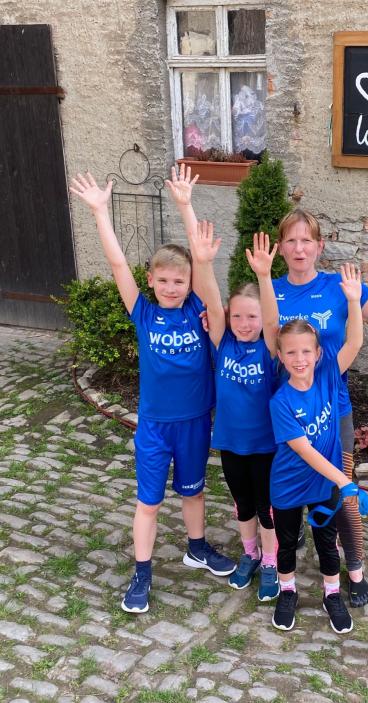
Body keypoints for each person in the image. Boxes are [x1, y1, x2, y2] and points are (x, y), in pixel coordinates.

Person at [173, 176, 368, 606]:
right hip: (281, 414)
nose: (299, 248)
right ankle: (280, 554)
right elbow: (233, 313)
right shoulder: (269, 290)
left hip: (332, 409)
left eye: (307, 240)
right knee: (280, 491)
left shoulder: (339, 288)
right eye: (291, 240)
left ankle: (354, 567)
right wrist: (190, 215)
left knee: (340, 487)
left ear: (319, 247)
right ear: (281, 248)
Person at [69, 172, 235, 614]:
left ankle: (196, 547)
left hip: (195, 422)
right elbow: (118, 265)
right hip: (155, 427)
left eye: (179, 281)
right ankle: (142, 572)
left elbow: (202, 261)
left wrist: (185, 204)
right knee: (149, 502)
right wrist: (100, 212)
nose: (171, 288)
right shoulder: (142, 313)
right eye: (163, 281)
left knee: (194, 492)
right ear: (151, 280)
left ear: (189, 283)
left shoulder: (199, 309)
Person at [265, 257, 367, 634]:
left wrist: (353, 301)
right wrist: (344, 480)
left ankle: (332, 595)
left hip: (324, 483)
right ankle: (287, 591)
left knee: (326, 541)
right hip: (290, 484)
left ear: (318, 354)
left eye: (306, 351)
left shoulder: (328, 375)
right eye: (291, 352)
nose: (300, 359)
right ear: (281, 356)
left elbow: (354, 341)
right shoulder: (280, 402)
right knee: (286, 543)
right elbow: (304, 449)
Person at [185, 219, 281, 602]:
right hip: (230, 442)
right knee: (242, 504)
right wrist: (204, 263)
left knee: (266, 507)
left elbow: (272, 320)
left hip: (265, 446)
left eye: (251, 317)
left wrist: (264, 276)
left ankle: (271, 561)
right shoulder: (222, 341)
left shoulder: (269, 349)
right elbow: (210, 300)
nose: (244, 324)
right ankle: (250, 554)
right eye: (237, 316)